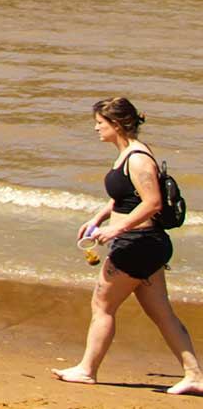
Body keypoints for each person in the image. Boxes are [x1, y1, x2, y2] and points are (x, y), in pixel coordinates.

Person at [53, 97, 203, 393]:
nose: (96, 129)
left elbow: (152, 203)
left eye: (100, 123)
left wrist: (116, 228)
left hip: (138, 243)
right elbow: (125, 196)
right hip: (144, 244)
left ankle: (87, 370)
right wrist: (100, 216)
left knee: (102, 305)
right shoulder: (125, 155)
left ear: (117, 124)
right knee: (161, 312)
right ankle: (194, 376)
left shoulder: (137, 158)